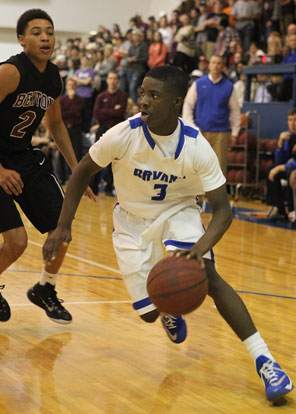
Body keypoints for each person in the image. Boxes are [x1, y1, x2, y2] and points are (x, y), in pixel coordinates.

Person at [43, 65, 293, 403]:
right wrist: (63, 225)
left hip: (180, 212)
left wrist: (200, 248)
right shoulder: (122, 134)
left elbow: (223, 210)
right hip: (131, 220)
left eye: (154, 96)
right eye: (143, 93)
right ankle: (169, 310)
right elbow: (83, 172)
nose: (143, 101)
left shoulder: (195, 145)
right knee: (149, 312)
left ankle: (266, 361)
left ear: (177, 103)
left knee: (209, 276)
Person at [0, 8, 96, 325]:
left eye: (50, 31)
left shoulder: (53, 77)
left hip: (24, 159)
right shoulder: (10, 72)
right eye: (37, 31)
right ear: (22, 39)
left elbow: (56, 126)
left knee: (61, 230)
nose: (45, 37)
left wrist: (79, 171)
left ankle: (45, 288)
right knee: (17, 242)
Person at [182, 55, 241, 176]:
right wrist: (192, 127)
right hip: (200, 132)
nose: (215, 65)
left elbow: (235, 111)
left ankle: (216, 195)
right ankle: (200, 195)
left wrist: (235, 132)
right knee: (199, 167)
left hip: (222, 132)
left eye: (219, 63)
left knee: (219, 169)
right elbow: (187, 105)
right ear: (209, 66)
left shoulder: (229, 86)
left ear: (223, 67)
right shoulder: (198, 84)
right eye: (213, 62)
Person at [90, 70, 127, 195]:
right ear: (107, 80)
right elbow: (96, 114)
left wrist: (105, 111)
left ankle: (108, 188)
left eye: (115, 78)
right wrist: (112, 110)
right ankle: (93, 187)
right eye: (110, 78)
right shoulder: (101, 96)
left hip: (117, 130)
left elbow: (120, 113)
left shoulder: (122, 96)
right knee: (96, 157)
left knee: (115, 159)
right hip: (102, 129)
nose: (112, 81)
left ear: (118, 81)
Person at [265, 107, 296, 221]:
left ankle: (292, 211)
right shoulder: (288, 136)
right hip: (290, 168)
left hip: (293, 170)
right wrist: (280, 144)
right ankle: (281, 210)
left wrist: (281, 167)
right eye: (290, 120)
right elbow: (279, 161)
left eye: (295, 120)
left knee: (289, 172)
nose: (292, 124)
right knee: (270, 169)